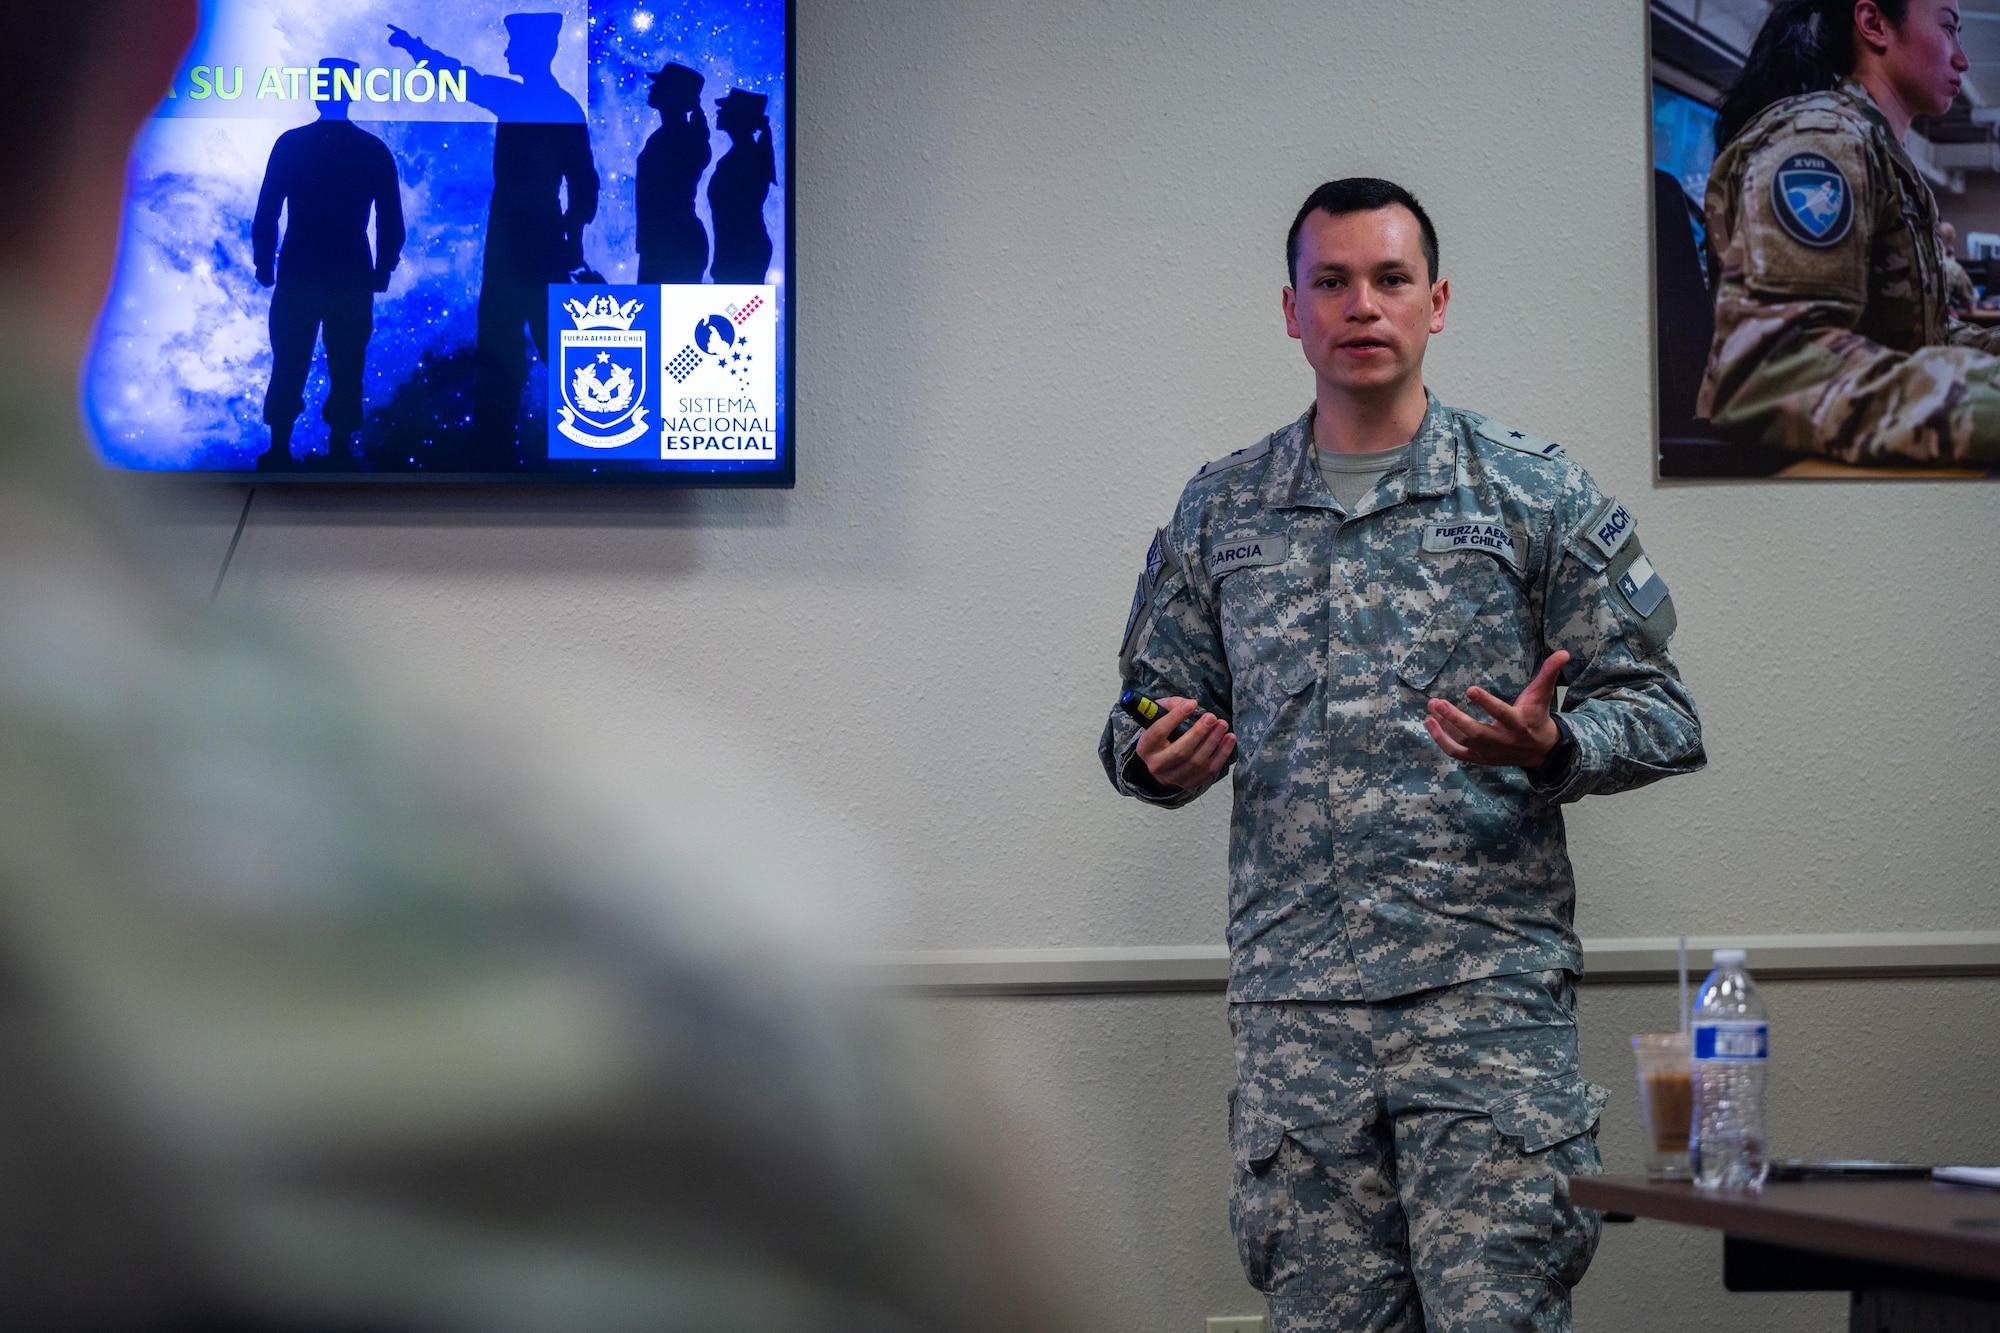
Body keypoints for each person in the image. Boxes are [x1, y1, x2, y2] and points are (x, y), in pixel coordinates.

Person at [0, 2, 1078, 1328]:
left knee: (337, 372)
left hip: (483, 268)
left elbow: (419, 208)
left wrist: (467, 244)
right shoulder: (686, 978)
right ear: (159, 45)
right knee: (319, 373)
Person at [1099, 177, 1705, 1332]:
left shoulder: (1531, 493)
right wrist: (1155, 754)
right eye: (1330, 282)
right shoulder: (1221, 512)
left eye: (1387, 280)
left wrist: (1555, 744)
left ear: (1434, 301)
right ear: (1290, 311)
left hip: (1484, 1014)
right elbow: (1136, 716)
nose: (1359, 306)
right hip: (1297, 1019)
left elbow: (1662, 712)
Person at [1700, 0, 2000, 467]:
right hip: (1807, 489)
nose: (1962, 58)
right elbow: (1774, 369)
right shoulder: (1825, 139)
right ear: (1874, 24)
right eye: (1948, 28)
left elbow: (1918, 340)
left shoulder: (1878, 151)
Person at [389, 13, 599, 462]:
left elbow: (463, 81)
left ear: (535, 50)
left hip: (518, 240)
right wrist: (572, 236)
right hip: (536, 238)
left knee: (519, 344)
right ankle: (583, 438)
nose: (506, 53)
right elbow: (585, 184)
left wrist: (417, 50)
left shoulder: (530, 103)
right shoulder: (560, 108)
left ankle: (505, 446)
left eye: (514, 46)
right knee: (544, 345)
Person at [251, 57, 404, 472]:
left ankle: (279, 447)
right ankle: (339, 448)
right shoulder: (371, 149)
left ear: (319, 91)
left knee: (289, 359)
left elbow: (267, 213)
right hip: (351, 274)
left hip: (300, 270)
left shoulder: (292, 144)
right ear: (351, 92)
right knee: (347, 362)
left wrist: (264, 264)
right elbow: (391, 219)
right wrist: (383, 268)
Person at [635, 62, 711, 284]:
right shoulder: (670, 137)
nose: (651, 88)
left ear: (673, 93)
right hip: (665, 241)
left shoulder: (678, 139)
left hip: (672, 243)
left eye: (659, 84)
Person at [706, 89, 775, 284]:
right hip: (738, 249)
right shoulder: (743, 155)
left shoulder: (745, 158)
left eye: (725, 108)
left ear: (739, 116)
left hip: (742, 251)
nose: (719, 112)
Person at [1939, 220, 1977, 317]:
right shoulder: (1954, 268)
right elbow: (1972, 308)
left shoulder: (1920, 262)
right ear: (1950, 243)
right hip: (1941, 327)